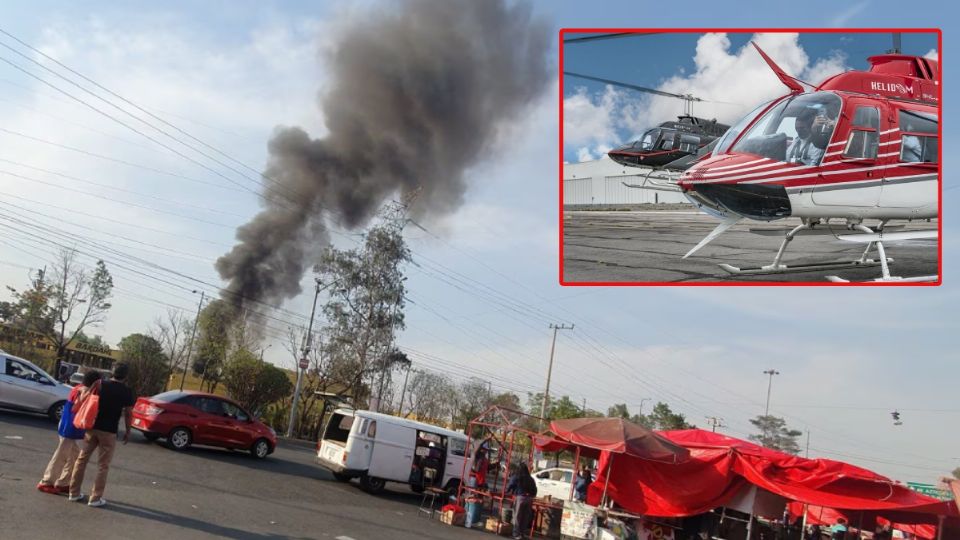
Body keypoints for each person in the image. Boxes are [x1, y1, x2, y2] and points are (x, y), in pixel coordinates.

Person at [68, 362, 136, 508]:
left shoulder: (99, 384)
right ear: (126, 376)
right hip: (109, 431)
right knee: (103, 466)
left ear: (111, 372)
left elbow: (85, 397)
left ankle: (73, 493)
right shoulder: (127, 391)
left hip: (91, 427)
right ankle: (95, 498)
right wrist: (128, 431)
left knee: (81, 460)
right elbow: (129, 413)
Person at [36, 370, 102, 494]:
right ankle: (47, 481)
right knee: (62, 455)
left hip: (71, 427)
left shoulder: (77, 388)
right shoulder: (83, 391)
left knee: (73, 457)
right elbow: (79, 404)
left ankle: (63, 482)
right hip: (71, 428)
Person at [505, 463, 537, 540]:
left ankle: (516, 534)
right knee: (525, 517)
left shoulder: (517, 476)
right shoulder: (531, 478)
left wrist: (507, 490)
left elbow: (511, 484)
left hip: (520, 497)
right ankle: (522, 533)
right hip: (529, 499)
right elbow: (535, 490)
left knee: (517, 516)